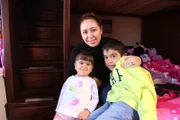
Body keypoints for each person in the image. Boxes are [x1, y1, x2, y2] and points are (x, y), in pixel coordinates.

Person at [67, 12, 142, 105]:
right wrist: (90, 79)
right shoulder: (77, 50)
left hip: (110, 83)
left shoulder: (112, 44)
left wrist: (138, 60)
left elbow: (127, 60)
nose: (90, 36)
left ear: (101, 29)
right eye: (85, 32)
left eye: (93, 30)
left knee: (112, 100)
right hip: (86, 85)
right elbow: (70, 75)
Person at [88, 39, 157, 120]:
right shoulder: (113, 73)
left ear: (124, 56)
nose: (109, 61)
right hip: (113, 102)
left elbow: (146, 89)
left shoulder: (131, 67)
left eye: (113, 56)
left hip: (128, 104)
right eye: (106, 57)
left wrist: (147, 116)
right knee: (91, 118)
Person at [54, 51, 99, 120]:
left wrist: (87, 110)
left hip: (79, 115)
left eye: (88, 64)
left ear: (91, 69)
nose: (84, 66)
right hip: (63, 113)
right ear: (75, 66)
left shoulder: (91, 82)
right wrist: (58, 109)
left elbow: (95, 99)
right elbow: (62, 94)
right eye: (81, 63)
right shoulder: (69, 79)